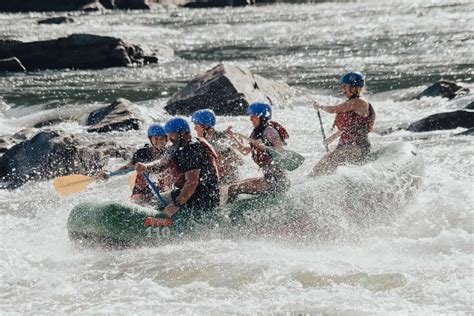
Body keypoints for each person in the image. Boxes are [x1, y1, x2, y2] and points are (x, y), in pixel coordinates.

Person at [136, 117, 220, 219]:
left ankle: (165, 222)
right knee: (153, 201)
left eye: (171, 134)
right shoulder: (177, 146)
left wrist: (176, 205)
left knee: (157, 202)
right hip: (192, 193)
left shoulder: (193, 149)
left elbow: (192, 182)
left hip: (204, 196)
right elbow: (162, 164)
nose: (169, 137)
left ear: (182, 132)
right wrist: (145, 167)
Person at [310, 71, 376, 176]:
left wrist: (320, 106)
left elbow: (334, 109)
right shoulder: (352, 102)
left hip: (358, 147)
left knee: (325, 164)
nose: (343, 89)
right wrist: (332, 138)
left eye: (345, 86)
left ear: (354, 87)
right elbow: (349, 128)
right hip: (348, 146)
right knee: (323, 166)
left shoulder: (359, 102)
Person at [225, 102, 290, 202]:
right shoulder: (258, 133)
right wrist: (233, 138)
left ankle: (225, 214)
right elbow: (244, 150)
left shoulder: (269, 130)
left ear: (262, 117)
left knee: (233, 188)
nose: (250, 119)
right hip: (269, 178)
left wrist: (264, 147)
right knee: (233, 185)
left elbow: (280, 151)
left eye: (253, 116)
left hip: (277, 181)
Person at [97, 123, 171, 204]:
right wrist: (109, 174)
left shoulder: (169, 153)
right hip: (142, 189)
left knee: (162, 198)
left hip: (160, 188)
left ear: (166, 139)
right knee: (139, 200)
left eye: (162, 138)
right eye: (156, 138)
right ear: (151, 140)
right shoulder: (141, 153)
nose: (159, 141)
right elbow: (127, 168)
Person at [191, 109, 242, 185]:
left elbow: (238, 160)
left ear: (206, 126)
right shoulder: (202, 141)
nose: (194, 128)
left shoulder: (220, 140)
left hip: (228, 181)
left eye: (196, 125)